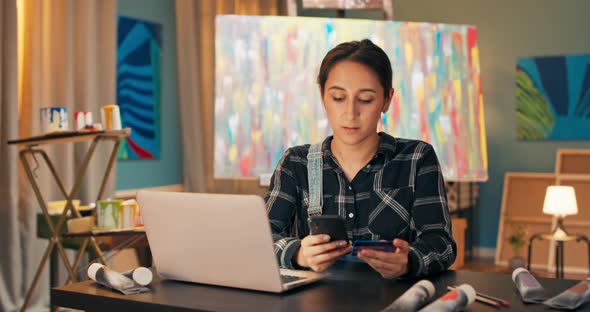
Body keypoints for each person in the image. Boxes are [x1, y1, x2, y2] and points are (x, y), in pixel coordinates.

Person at [265, 39, 456, 279]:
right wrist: (298, 254)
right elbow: (261, 239)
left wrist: (409, 260)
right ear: (322, 95)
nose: (350, 113)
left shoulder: (417, 159)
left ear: (387, 99)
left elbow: (442, 244)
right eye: (338, 98)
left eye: (365, 99)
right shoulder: (296, 163)